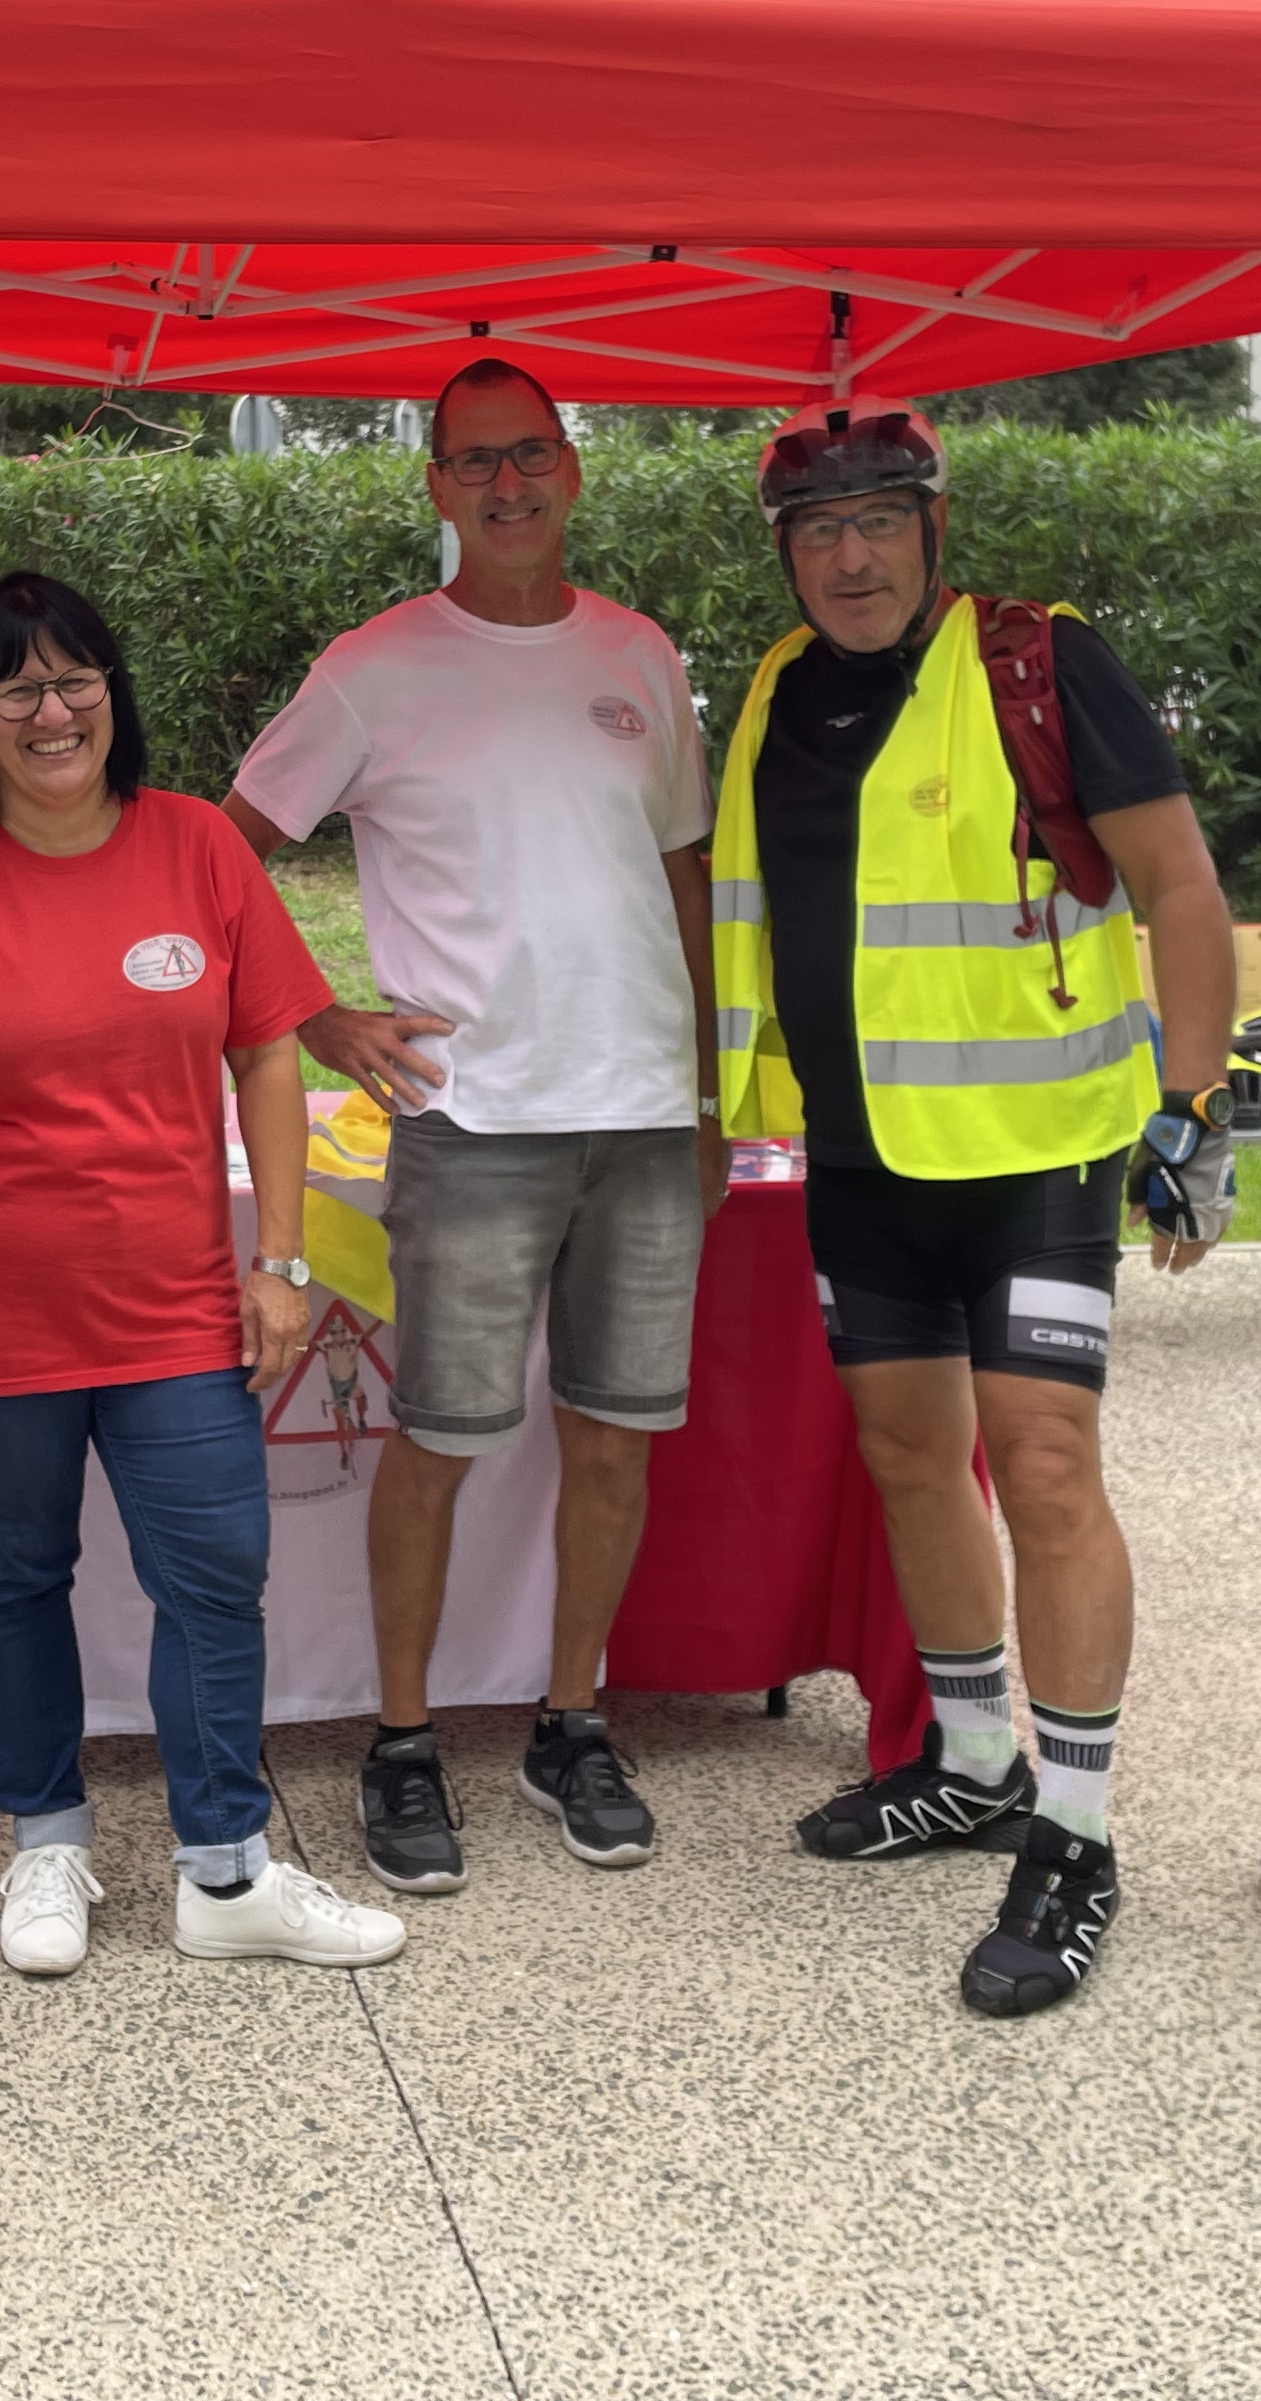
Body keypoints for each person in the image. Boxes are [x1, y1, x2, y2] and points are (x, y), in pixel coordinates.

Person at [709, 396, 1239, 2016]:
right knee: (906, 1458)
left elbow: (1181, 884)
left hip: (1039, 1153)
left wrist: (1195, 1106)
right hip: (866, 1159)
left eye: (878, 522)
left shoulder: (1035, 660)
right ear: (787, 556)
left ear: (934, 530)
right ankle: (980, 1759)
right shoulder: (781, 692)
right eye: (817, 530)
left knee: (1049, 1467)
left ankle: (1075, 1840)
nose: (848, 556)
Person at [0, 572, 406, 1980]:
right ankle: (47, 1844)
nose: (52, 711)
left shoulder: (199, 848)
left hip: (177, 1315)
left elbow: (270, 1046)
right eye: (17, 686)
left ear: (112, 694)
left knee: (217, 1576)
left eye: (76, 679)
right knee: (18, 1579)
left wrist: (278, 1260)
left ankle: (226, 1868)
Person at [225, 357, 723, 1894]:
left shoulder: (639, 655)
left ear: (572, 469)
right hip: (475, 1120)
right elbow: (223, 855)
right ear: (436, 488)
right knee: (437, 1445)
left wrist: (706, 1090)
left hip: (644, 1119)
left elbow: (687, 878)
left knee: (614, 1442)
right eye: (473, 463)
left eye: (531, 456)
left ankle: (573, 1723)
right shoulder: (376, 668)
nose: (506, 486)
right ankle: (401, 1741)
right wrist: (318, 1020)